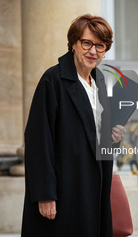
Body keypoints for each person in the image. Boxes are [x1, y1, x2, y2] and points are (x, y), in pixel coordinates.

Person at [21, 14, 127, 237]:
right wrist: (45, 194)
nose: (93, 51)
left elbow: (93, 138)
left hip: (94, 189)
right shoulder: (53, 80)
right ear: (73, 44)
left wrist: (113, 137)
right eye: (87, 43)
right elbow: (38, 140)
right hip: (64, 190)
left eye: (100, 45)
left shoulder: (101, 84)